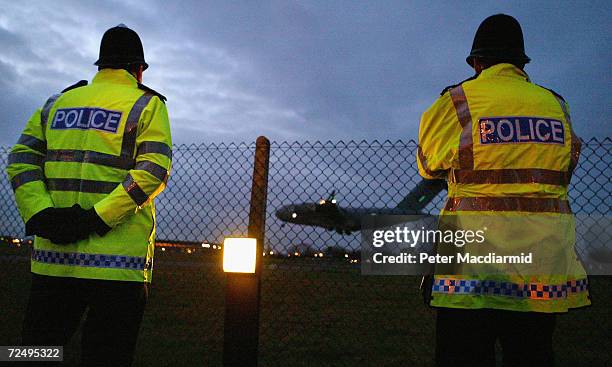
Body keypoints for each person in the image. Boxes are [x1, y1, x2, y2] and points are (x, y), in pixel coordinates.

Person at [417, 14, 590, 367]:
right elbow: (564, 169)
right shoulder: (556, 105)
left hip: (470, 270)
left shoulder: (458, 101)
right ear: (521, 63)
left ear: (477, 62)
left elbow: (428, 165)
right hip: (541, 268)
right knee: (532, 355)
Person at [6, 24, 172, 366]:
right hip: (117, 268)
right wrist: (98, 218)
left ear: (100, 66)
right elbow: (153, 170)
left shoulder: (57, 103)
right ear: (138, 69)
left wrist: (41, 214)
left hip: (53, 260)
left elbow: (21, 159)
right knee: (106, 355)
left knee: (34, 351)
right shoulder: (147, 104)